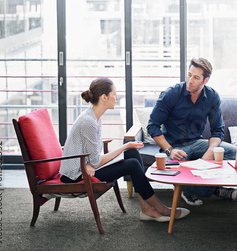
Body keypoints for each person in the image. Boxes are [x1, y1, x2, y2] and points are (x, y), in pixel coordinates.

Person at [59, 78, 189, 222]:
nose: (117, 97)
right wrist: (124, 146)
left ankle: (147, 210)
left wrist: (90, 162)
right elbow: (95, 161)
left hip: (85, 166)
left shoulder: (94, 117)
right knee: (132, 163)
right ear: (104, 97)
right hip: (76, 174)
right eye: (114, 94)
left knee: (132, 153)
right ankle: (162, 209)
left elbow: (94, 154)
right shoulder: (89, 122)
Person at [147, 58, 237, 206]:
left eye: (196, 77)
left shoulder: (212, 97)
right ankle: (212, 190)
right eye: (189, 75)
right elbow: (152, 126)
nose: (190, 80)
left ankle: (193, 187)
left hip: (197, 142)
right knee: (176, 172)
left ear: (206, 80)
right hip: (174, 146)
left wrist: (210, 152)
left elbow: (217, 130)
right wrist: (169, 150)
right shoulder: (171, 94)